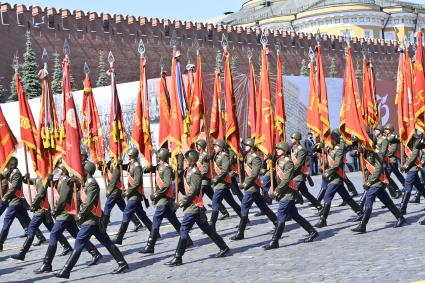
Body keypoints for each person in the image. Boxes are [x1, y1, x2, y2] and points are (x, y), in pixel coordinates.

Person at [55, 161, 128, 278]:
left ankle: (65, 271)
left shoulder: (92, 184)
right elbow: (78, 188)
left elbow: (89, 204)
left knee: (78, 243)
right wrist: (71, 180)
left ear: (87, 171)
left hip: (90, 220)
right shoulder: (86, 183)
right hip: (92, 220)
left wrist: (80, 215)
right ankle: (122, 263)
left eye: (82, 169)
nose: (80, 171)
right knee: (107, 242)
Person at [34, 163, 102, 274]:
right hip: (67, 214)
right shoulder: (62, 179)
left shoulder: (66, 180)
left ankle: (47, 264)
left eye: (59, 168)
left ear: (64, 170)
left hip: (64, 214)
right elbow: (54, 186)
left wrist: (56, 210)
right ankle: (95, 253)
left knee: (53, 235)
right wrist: (48, 179)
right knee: (76, 234)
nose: (57, 169)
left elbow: (63, 199)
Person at [165, 150, 229, 266]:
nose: (185, 161)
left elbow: (193, 191)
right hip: (193, 206)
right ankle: (223, 247)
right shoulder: (188, 171)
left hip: (193, 206)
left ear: (192, 160)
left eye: (186, 159)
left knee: (183, 229)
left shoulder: (195, 173)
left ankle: (178, 257)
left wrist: (181, 202)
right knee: (207, 229)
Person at [263, 142, 318, 250]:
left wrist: (276, 191)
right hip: (284, 193)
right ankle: (312, 232)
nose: (277, 150)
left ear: (285, 150)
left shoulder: (288, 163)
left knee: (280, 217)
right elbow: (276, 176)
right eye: (277, 148)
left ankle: (274, 241)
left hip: (287, 193)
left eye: (279, 148)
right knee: (295, 215)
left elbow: (286, 179)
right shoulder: (279, 161)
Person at [140, 148, 192, 254]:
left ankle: (150, 245)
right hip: (163, 200)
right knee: (174, 221)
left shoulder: (167, 168)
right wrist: (148, 169)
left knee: (156, 220)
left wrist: (156, 194)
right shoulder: (160, 166)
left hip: (164, 199)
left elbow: (166, 184)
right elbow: (156, 169)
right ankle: (187, 240)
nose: (157, 159)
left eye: (158, 157)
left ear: (161, 157)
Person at [11, 175, 72, 260]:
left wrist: (33, 205)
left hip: (41, 210)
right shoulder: (39, 178)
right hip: (44, 210)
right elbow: (33, 181)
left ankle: (22, 253)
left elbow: (41, 194)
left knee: (31, 228)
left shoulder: (41, 179)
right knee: (53, 230)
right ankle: (67, 247)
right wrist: (25, 179)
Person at [351, 142, 405, 233]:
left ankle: (362, 225)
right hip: (375, 182)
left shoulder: (376, 152)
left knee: (368, 201)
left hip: (376, 182)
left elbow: (378, 169)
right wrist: (358, 150)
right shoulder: (365, 151)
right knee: (387, 202)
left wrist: (369, 182)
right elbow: (351, 153)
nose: (363, 145)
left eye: (364, 143)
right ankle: (400, 217)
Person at [230, 138, 277, 241]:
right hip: (251, 187)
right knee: (263, 207)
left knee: (244, 206)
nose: (244, 146)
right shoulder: (247, 156)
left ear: (251, 147)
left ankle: (240, 232)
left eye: (246, 145)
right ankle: (276, 222)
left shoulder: (255, 158)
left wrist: (245, 183)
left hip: (252, 186)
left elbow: (255, 173)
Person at [315, 130, 362, 228]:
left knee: (327, 196)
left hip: (336, 177)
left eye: (329, 140)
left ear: (335, 140)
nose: (328, 141)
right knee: (347, 197)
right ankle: (360, 212)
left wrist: (328, 171)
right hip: (333, 177)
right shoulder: (329, 148)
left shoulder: (339, 149)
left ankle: (323, 220)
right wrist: (318, 147)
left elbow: (336, 164)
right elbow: (319, 151)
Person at [0, 157, 47, 251]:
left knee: (6, 223)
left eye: (8, 164)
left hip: (15, 202)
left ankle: (0, 243)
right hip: (16, 203)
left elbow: (13, 188)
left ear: (12, 165)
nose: (6, 166)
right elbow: (3, 176)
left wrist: (5, 197)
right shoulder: (10, 172)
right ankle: (41, 237)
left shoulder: (16, 173)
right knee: (27, 221)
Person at [113, 148, 153, 245]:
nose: (129, 158)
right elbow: (124, 166)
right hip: (132, 195)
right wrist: (120, 163)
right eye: (129, 156)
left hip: (135, 195)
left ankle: (119, 237)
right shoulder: (130, 165)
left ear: (134, 156)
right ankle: (155, 233)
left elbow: (137, 183)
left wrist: (127, 192)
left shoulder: (137, 167)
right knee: (141, 215)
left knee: (126, 213)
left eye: (130, 156)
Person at [101, 157, 144, 232]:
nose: (111, 157)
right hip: (116, 191)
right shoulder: (110, 163)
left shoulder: (116, 164)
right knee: (124, 208)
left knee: (107, 207)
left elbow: (114, 179)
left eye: (112, 156)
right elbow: (103, 168)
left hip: (115, 190)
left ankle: (103, 228)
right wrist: (100, 164)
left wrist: (109, 191)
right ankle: (137, 223)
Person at [209, 140, 242, 233]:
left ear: (221, 147)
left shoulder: (224, 156)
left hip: (222, 182)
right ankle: (244, 218)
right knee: (232, 202)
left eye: (216, 146)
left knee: (215, 202)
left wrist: (216, 179)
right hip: (221, 182)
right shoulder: (217, 155)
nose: (214, 147)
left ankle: (212, 225)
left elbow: (224, 171)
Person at [194, 139, 230, 220]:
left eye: (198, 145)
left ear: (202, 146)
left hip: (204, 180)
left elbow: (205, 169)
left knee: (197, 198)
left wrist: (198, 176)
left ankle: (202, 214)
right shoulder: (199, 155)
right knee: (213, 197)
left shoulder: (205, 155)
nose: (196, 147)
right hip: (203, 181)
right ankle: (224, 211)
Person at [290, 132, 323, 212]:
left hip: (298, 175)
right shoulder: (293, 148)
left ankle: (290, 213)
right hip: (295, 175)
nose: (291, 139)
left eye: (292, 138)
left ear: (297, 140)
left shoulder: (301, 150)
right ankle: (319, 206)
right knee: (305, 193)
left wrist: (290, 173)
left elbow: (298, 164)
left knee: (290, 194)